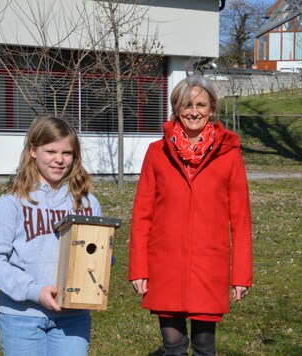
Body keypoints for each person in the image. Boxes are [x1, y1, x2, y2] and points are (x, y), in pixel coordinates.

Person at [128, 75, 253, 356]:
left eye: (200, 104)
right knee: (172, 347)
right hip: (165, 265)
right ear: (176, 108)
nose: (193, 111)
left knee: (205, 348)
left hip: (210, 266)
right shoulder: (156, 152)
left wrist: (242, 275)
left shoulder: (229, 154)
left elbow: (241, 220)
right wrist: (138, 267)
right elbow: (142, 214)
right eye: (186, 104)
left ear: (212, 109)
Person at [0, 116, 101, 355]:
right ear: (33, 151)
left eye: (67, 153)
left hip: (72, 317)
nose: (59, 159)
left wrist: (103, 261)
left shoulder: (86, 203)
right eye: (51, 151)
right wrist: (35, 291)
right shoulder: (13, 201)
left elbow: (98, 255)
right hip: (21, 317)